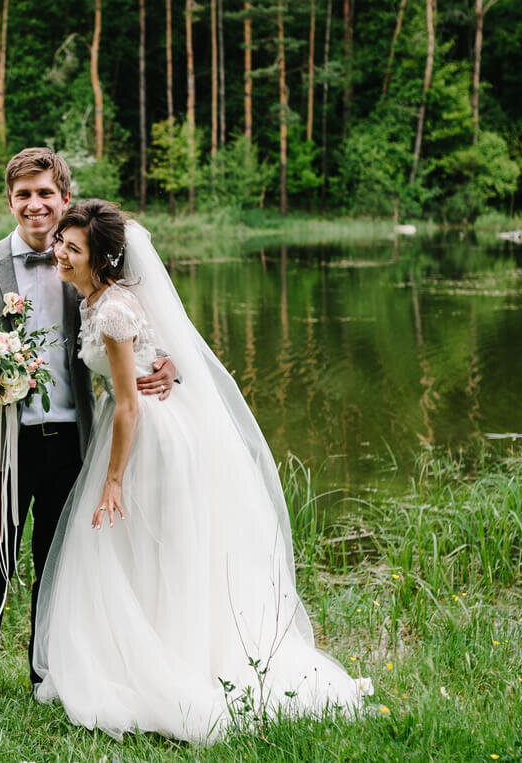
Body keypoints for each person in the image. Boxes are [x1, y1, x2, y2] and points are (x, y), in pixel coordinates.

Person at [32, 200, 371, 742]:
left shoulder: (113, 308)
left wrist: (113, 479)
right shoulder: (101, 298)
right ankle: (143, 653)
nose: (60, 254)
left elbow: (126, 403)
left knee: (148, 543)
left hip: (147, 438)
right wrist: (161, 361)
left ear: (101, 261)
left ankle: (175, 663)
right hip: (142, 428)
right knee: (139, 549)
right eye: (62, 245)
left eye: (73, 249)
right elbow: (157, 348)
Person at [0, 149, 179, 695]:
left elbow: (143, 320)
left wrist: (168, 363)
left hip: (75, 441)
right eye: (24, 194)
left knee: (59, 561)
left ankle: (48, 670)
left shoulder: (88, 262)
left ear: (64, 199)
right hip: (5, 442)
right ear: (10, 201)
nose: (35, 204)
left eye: (46, 193)